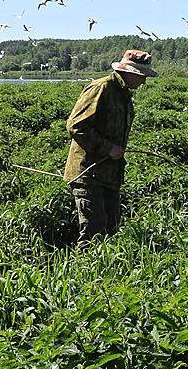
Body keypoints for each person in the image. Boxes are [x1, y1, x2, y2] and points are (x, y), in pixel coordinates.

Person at [64, 47, 152, 245]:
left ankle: (108, 273)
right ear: (129, 72)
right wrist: (108, 148)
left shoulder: (123, 93)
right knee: (93, 232)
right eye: (142, 75)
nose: (144, 80)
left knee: (111, 230)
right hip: (89, 173)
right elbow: (76, 126)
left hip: (110, 174)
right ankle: (83, 271)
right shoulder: (101, 88)